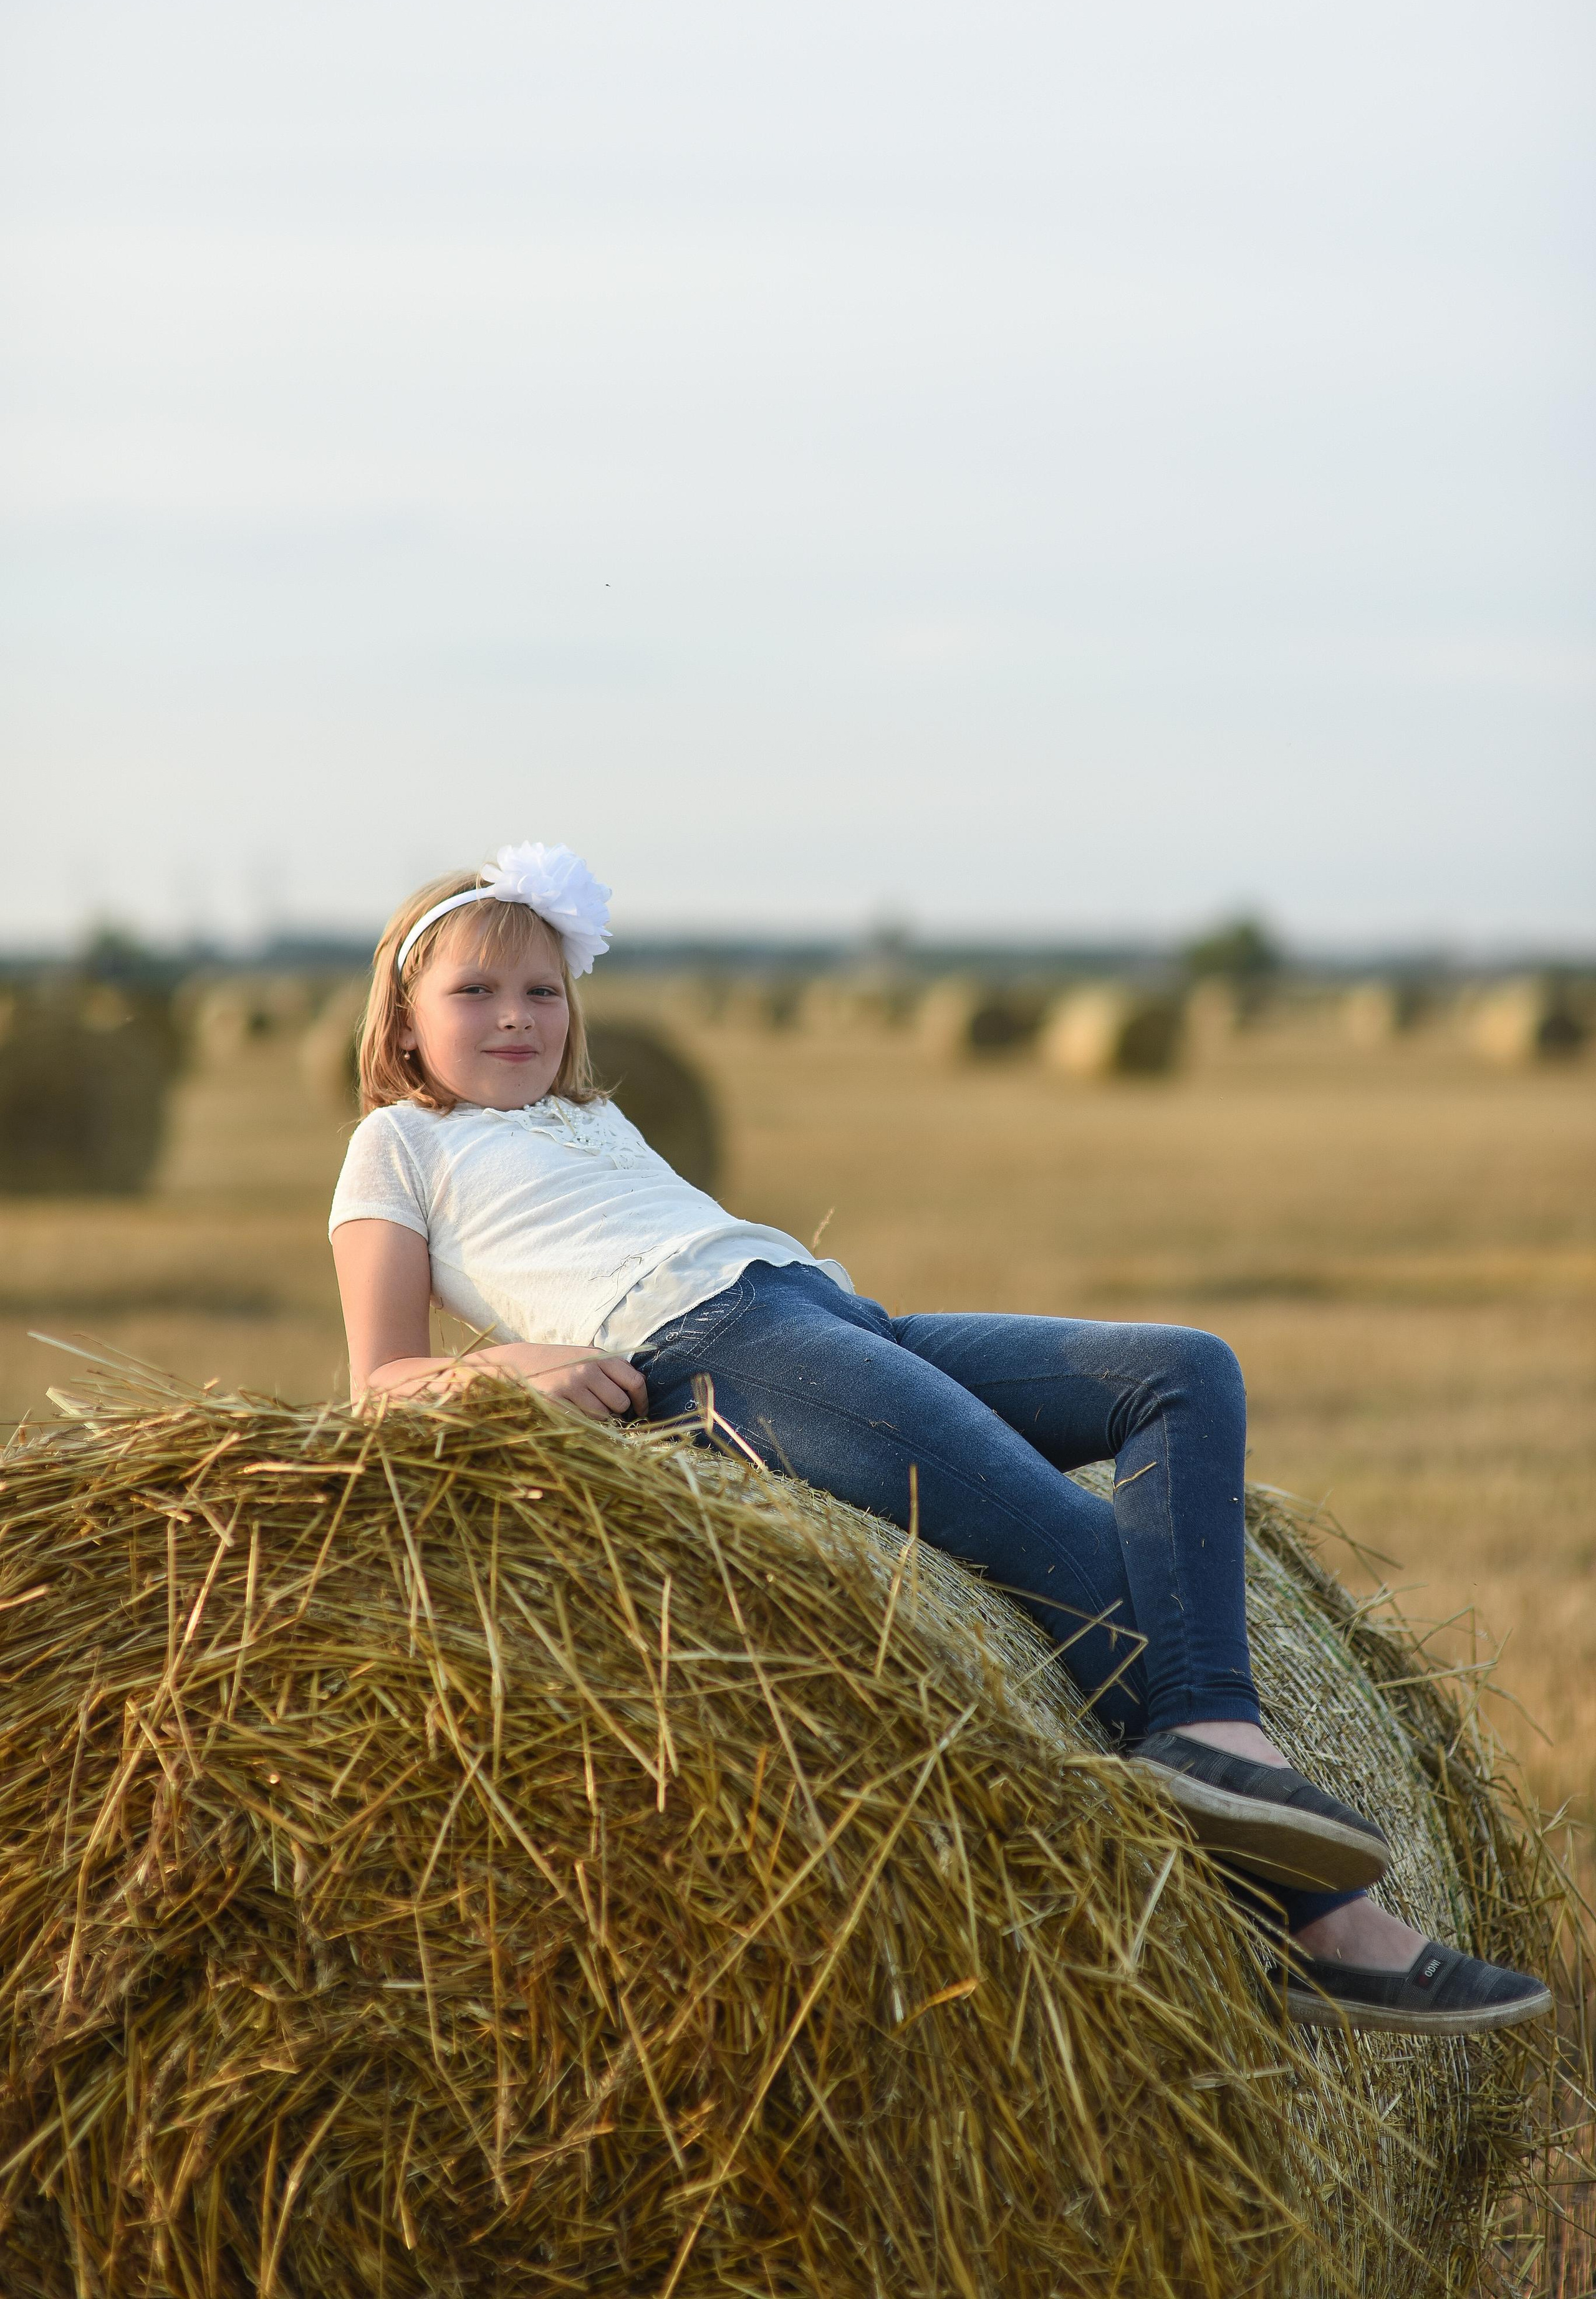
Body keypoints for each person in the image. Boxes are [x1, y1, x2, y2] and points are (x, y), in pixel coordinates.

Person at [330, 842, 1550, 2038]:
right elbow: (382, 1379)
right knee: (1069, 1549)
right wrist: (510, 1363)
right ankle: (1333, 1930)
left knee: (1180, 1371)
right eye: (474, 993)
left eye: (541, 990)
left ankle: (1209, 1727)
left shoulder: (592, 1118)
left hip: (826, 1312)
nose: (514, 1018)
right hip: (712, 1350)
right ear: (401, 1025)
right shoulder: (400, 1145)